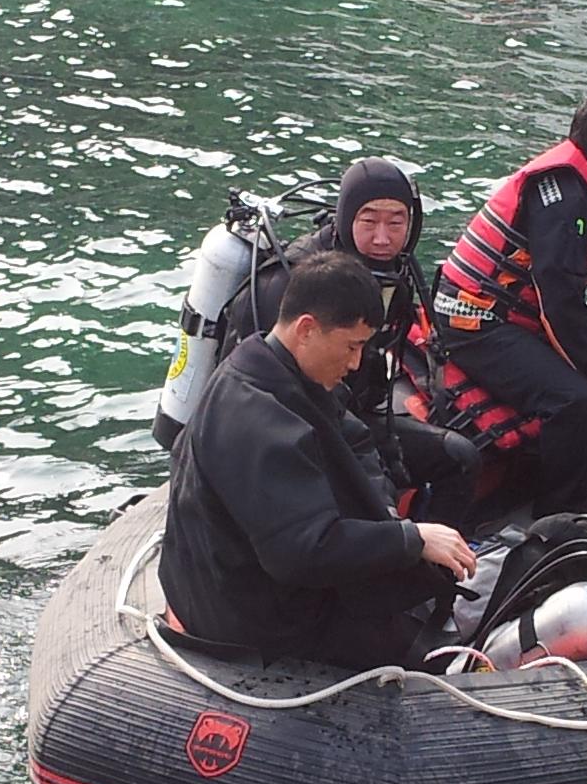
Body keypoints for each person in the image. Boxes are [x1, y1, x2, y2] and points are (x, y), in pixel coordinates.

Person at [159, 252, 477, 670]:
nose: (356, 363)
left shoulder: (271, 369)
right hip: (248, 620)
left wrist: (385, 518)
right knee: (420, 649)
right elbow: (301, 553)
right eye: (352, 346)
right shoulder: (256, 420)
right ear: (307, 329)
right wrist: (411, 539)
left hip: (250, 579)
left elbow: (357, 441)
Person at [221, 158, 480, 529]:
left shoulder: (395, 275)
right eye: (368, 221)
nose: (382, 238)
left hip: (350, 415)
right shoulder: (288, 284)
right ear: (345, 218)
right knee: (371, 501)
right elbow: (245, 393)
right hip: (288, 430)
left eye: (396, 223)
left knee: (460, 457)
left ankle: (437, 560)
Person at [433, 96, 587, 517]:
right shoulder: (567, 203)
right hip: (474, 321)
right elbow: (559, 300)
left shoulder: (573, 185)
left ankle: (582, 491)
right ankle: (559, 517)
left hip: (501, 314)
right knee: (574, 400)